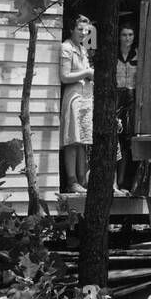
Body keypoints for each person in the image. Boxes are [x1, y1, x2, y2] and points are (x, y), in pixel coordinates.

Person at [59, 15, 94, 193]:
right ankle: (71, 181)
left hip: (86, 97)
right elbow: (64, 76)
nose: (83, 33)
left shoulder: (83, 49)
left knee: (83, 142)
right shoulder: (66, 48)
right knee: (72, 141)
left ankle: (82, 180)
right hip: (73, 97)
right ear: (72, 29)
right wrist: (87, 72)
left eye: (86, 30)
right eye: (79, 29)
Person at [115, 22, 138, 193]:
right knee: (117, 142)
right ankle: (116, 182)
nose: (127, 38)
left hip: (132, 98)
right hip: (116, 99)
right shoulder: (113, 54)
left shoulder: (138, 54)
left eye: (130, 34)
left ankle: (126, 182)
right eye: (124, 35)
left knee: (129, 141)